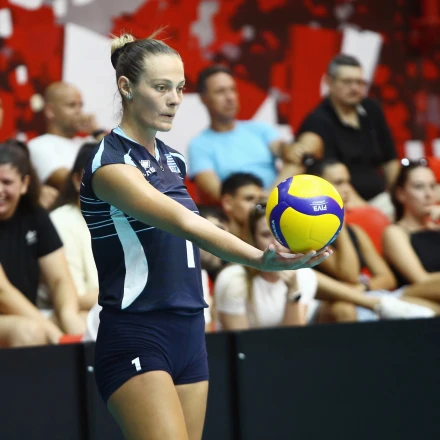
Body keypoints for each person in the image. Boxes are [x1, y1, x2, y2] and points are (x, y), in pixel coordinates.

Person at [82, 32, 330, 440]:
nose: (174, 100)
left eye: (180, 88)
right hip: (137, 332)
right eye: (161, 87)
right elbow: (187, 224)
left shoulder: (172, 159)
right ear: (126, 87)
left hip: (190, 330)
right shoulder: (110, 166)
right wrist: (260, 258)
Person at [308, 159, 438, 322]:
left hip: (368, 295)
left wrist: (364, 287)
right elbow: (349, 274)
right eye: (339, 183)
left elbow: (387, 278)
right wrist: (338, 222)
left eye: (348, 182)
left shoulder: (356, 231)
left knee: (433, 311)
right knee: (343, 310)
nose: (348, 189)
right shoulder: (310, 232)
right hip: (332, 304)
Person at [293, 54, 400, 219]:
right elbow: (332, 178)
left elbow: (390, 161)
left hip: (381, 199)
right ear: (329, 82)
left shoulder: (372, 109)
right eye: (347, 82)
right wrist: (371, 215)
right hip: (341, 204)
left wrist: (400, 200)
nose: (355, 88)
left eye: (359, 82)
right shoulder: (317, 121)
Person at [0, 139, 85, 345]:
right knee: (28, 332)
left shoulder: (34, 215)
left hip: (27, 315)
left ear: (24, 184)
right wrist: (57, 335)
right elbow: (3, 292)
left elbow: (60, 280)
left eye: (7, 182)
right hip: (15, 320)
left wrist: (69, 318)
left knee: (87, 320)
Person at [188, 65, 300, 202]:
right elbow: (218, 194)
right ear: (203, 98)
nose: (230, 97)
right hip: (239, 209)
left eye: (232, 89)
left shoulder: (260, 129)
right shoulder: (199, 145)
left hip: (276, 200)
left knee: (296, 160)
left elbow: (283, 149)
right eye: (220, 91)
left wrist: (288, 150)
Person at [215, 203, 319, 330]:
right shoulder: (232, 278)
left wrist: (293, 292)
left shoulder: (305, 275)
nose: (276, 243)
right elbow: (240, 340)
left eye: (282, 233)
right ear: (253, 239)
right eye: (266, 235)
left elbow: (294, 337)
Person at [28, 82, 106, 191]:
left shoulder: (88, 142)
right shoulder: (38, 145)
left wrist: (97, 132)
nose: (79, 111)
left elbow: (121, 163)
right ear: (50, 111)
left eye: (80, 105)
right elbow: (73, 183)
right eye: (72, 105)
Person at [50, 142, 99, 314]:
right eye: (98, 177)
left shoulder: (123, 219)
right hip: (73, 314)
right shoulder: (60, 220)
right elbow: (74, 298)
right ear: (78, 180)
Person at [383, 160, 440, 305]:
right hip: (416, 301)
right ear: (400, 194)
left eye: (432, 186)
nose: (428, 194)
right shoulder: (395, 232)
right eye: (419, 187)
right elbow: (421, 280)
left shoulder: (437, 229)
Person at [220, 172, 264, 240]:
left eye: (260, 199)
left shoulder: (267, 239)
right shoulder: (214, 238)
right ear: (227, 203)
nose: (257, 205)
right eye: (249, 199)